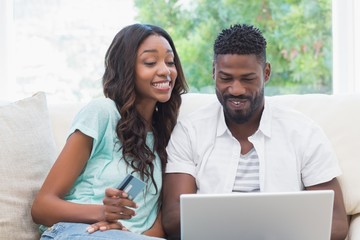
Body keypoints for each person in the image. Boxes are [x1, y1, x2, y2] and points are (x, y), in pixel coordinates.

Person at [162, 24, 349, 240]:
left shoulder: (303, 132)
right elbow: (174, 218)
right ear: (214, 72)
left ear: (266, 72)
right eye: (226, 78)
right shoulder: (189, 131)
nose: (236, 89)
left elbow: (336, 222)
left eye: (248, 79)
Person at [31, 23, 188, 240]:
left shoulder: (169, 134)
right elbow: (42, 207)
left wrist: (127, 232)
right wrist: (103, 213)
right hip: (75, 232)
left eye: (170, 62)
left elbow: (158, 225)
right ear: (126, 68)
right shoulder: (102, 113)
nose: (165, 70)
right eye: (150, 62)